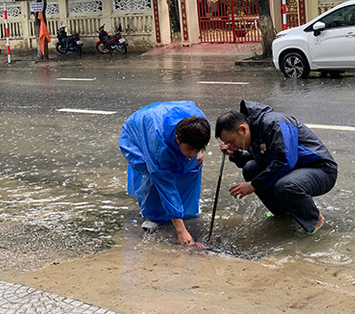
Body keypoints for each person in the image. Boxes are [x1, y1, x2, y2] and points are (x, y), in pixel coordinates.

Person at [215, 100, 338, 235]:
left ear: (242, 129)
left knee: (285, 186)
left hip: (321, 169)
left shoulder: (274, 124)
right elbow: (262, 161)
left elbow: (285, 161)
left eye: (231, 142)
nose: (231, 145)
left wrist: (253, 185)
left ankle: (314, 220)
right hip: (296, 169)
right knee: (251, 169)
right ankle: (283, 212)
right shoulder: (254, 132)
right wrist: (236, 155)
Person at [119, 101, 211, 246]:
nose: (192, 153)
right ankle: (152, 215)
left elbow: (194, 147)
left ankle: (185, 209)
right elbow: (165, 183)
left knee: (193, 164)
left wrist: (197, 152)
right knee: (154, 173)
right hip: (138, 132)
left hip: (166, 121)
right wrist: (181, 231)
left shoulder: (200, 126)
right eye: (189, 149)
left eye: (197, 148)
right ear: (177, 139)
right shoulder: (157, 145)